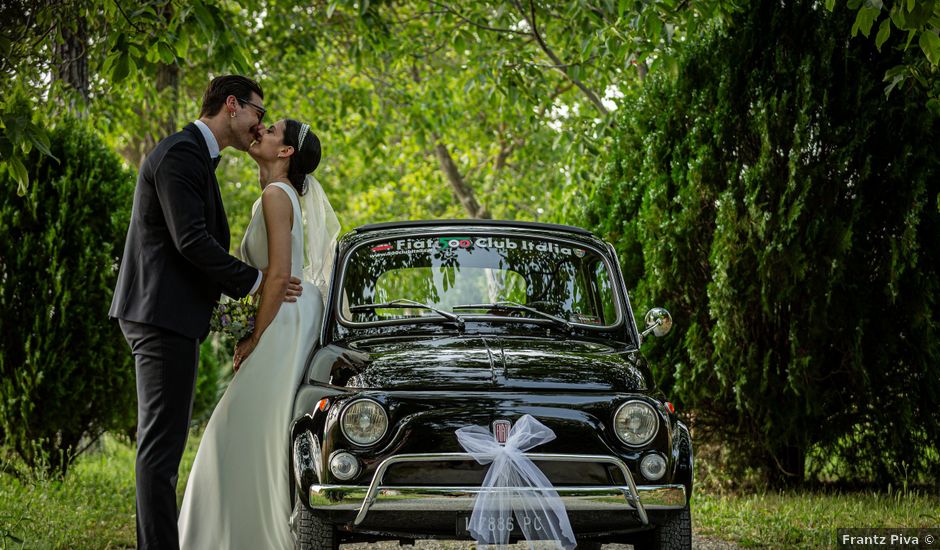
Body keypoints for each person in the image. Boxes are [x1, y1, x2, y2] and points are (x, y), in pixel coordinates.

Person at [109, 75, 305, 550]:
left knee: (165, 443)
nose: (260, 124)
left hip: (170, 315)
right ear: (233, 106)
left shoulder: (198, 158)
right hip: (159, 315)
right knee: (161, 448)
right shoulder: (180, 154)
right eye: (260, 112)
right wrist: (258, 283)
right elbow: (191, 240)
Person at [177, 118, 339, 549]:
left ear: (285, 152)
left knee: (240, 427)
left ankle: (244, 535)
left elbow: (281, 276)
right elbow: (275, 275)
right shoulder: (277, 195)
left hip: (281, 322)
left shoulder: (275, 195)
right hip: (285, 315)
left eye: (270, 131)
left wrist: (253, 336)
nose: (260, 132)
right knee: (254, 428)